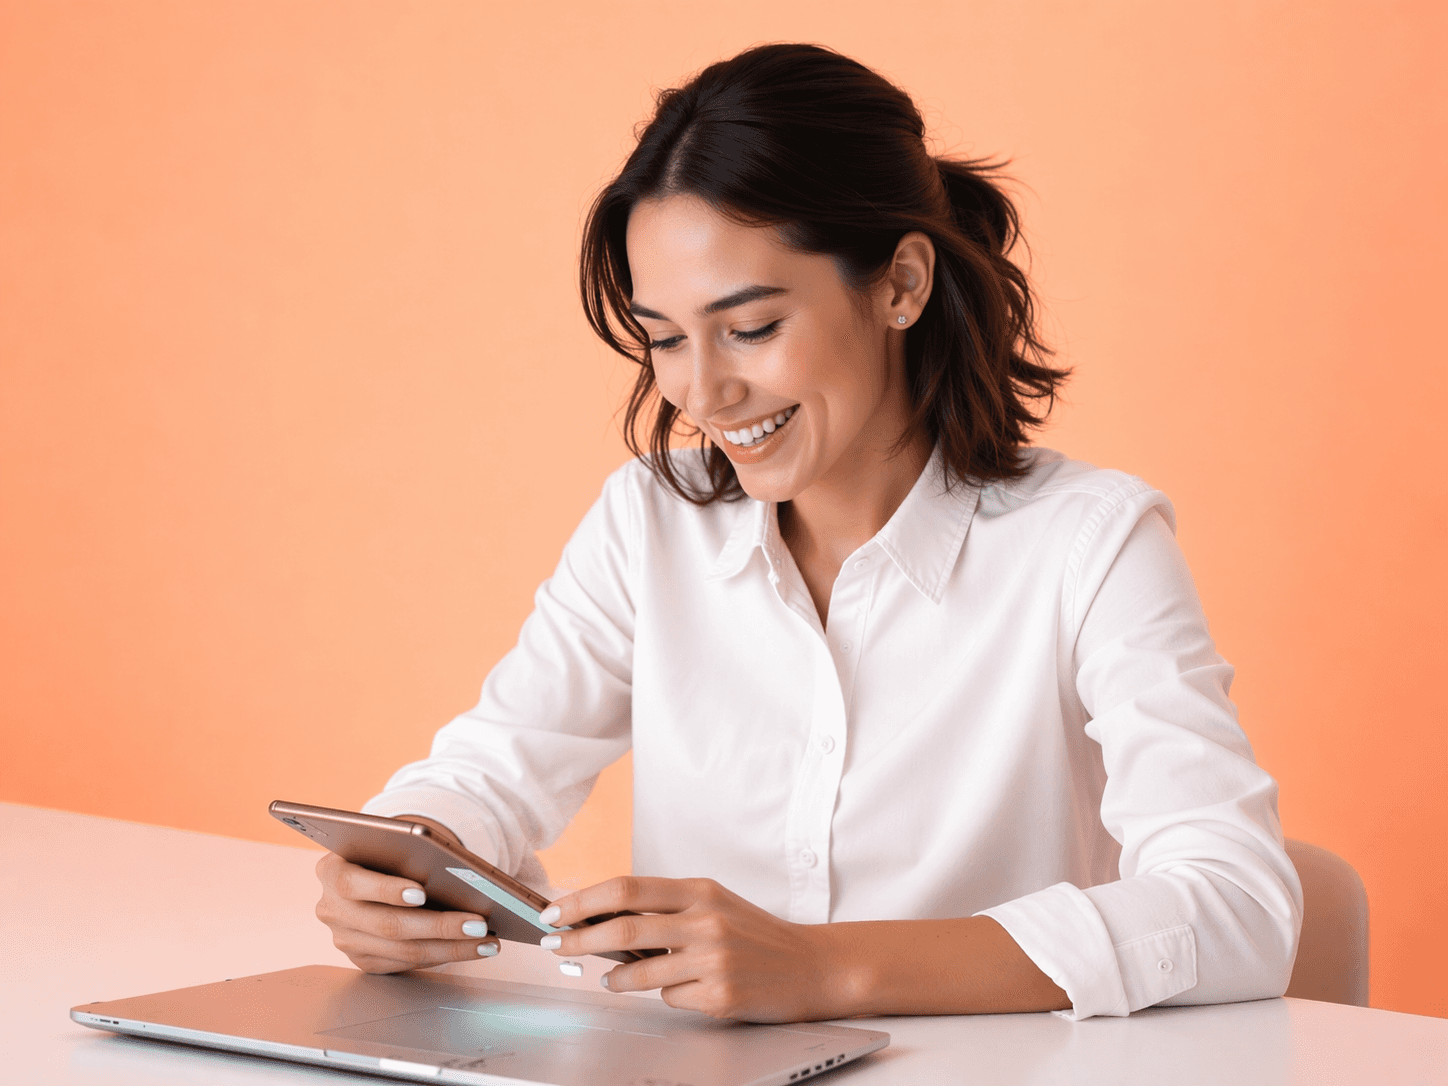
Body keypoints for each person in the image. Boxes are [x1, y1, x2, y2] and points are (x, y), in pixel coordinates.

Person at [313, 42, 1302, 1024]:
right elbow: (497, 761)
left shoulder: (1089, 546)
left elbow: (1235, 904)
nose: (702, 390)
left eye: (750, 328)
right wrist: (411, 855)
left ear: (900, 285)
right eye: (662, 337)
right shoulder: (647, 522)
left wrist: (823, 970)